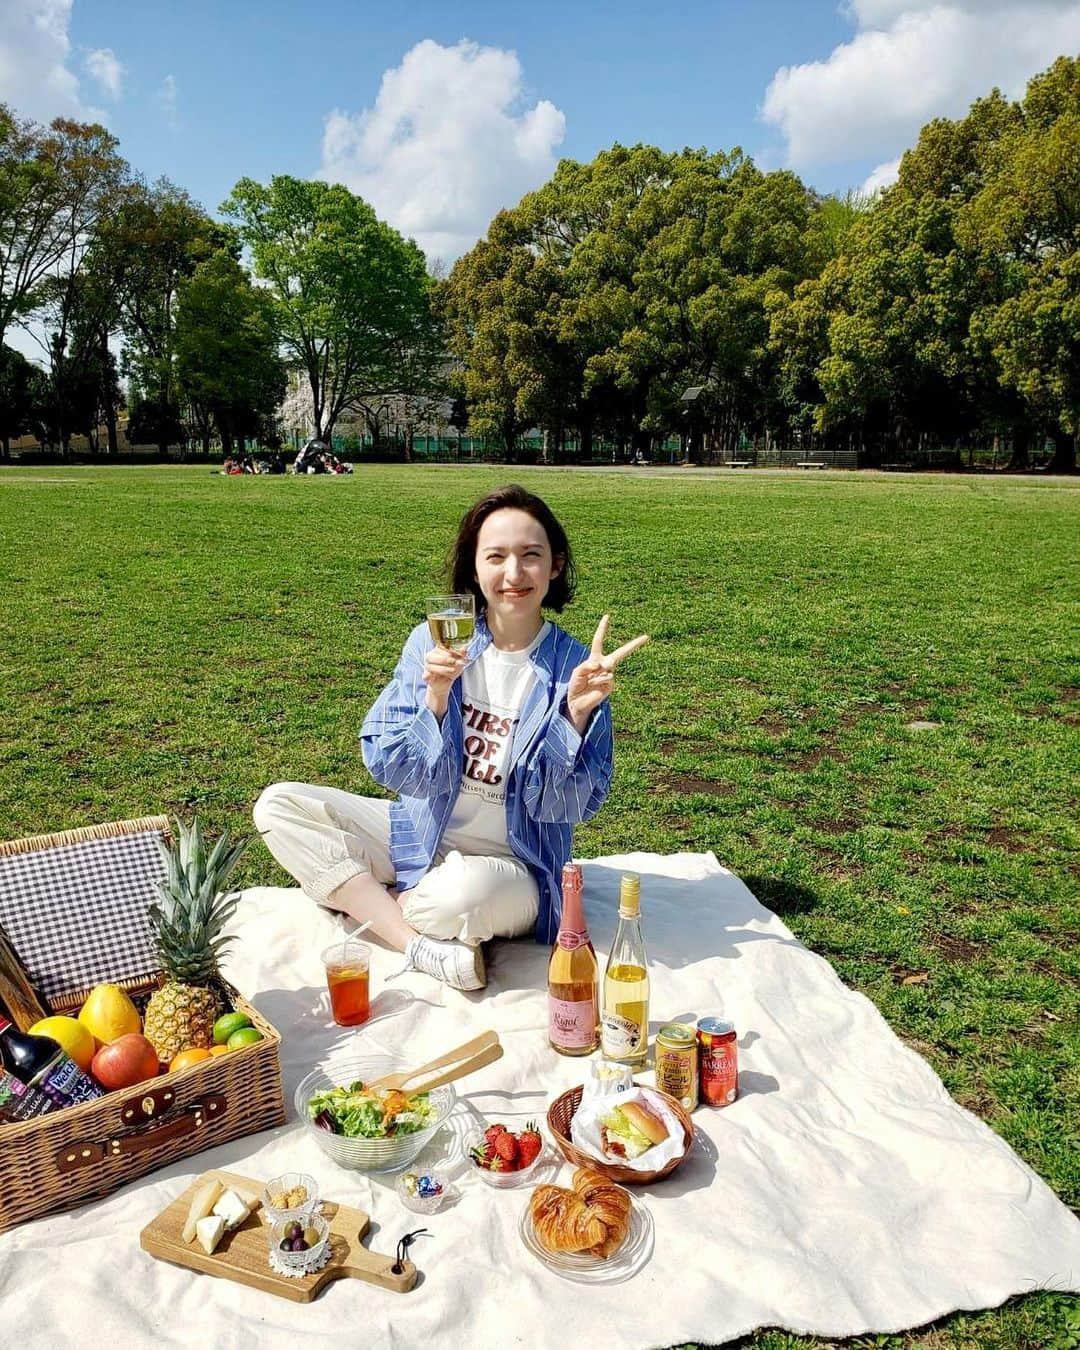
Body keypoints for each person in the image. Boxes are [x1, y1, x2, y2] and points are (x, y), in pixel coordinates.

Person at [253, 484, 648, 992]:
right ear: (475, 568)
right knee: (280, 806)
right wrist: (435, 700)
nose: (513, 574)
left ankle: (374, 900)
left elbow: (566, 807)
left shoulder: (577, 670)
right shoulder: (436, 641)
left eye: (531, 556)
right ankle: (419, 944)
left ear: (554, 566)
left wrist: (572, 716)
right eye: (496, 557)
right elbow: (393, 768)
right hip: (418, 832)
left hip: (513, 863)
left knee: (463, 897)